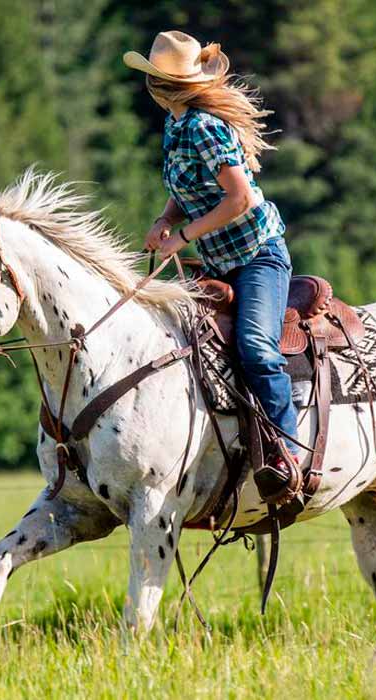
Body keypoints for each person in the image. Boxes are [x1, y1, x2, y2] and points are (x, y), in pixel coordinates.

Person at [123, 30, 301, 505]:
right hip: (220, 258)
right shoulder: (176, 126)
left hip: (257, 255)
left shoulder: (204, 126)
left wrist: (181, 237)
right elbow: (186, 189)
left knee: (255, 347)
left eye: (152, 79)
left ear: (163, 87)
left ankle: (288, 451)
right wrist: (165, 219)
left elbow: (240, 198)